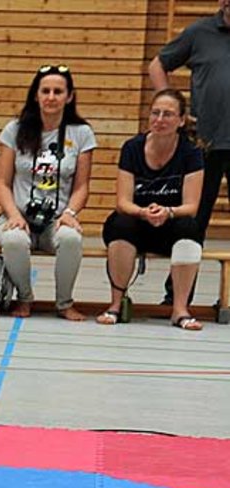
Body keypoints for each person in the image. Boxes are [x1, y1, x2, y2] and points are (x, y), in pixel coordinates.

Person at [0, 65, 96, 320]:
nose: (51, 97)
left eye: (58, 91)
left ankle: (64, 303)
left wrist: (71, 212)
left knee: (71, 239)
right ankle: (24, 298)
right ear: (36, 95)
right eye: (45, 91)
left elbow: (82, 186)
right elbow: (2, 183)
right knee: (14, 241)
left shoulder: (81, 133)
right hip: (17, 215)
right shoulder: (14, 130)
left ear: (69, 97)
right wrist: (13, 215)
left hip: (57, 219)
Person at [96, 89, 205, 330]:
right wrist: (143, 212)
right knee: (119, 223)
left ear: (181, 120)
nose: (160, 119)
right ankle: (116, 304)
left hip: (171, 223)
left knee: (191, 227)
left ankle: (179, 310)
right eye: (155, 113)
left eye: (168, 114)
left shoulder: (191, 152)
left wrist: (168, 212)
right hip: (138, 222)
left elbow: (191, 206)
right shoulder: (132, 148)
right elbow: (123, 202)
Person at [149, 0, 230, 303]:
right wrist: (169, 104)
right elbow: (158, 64)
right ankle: (178, 297)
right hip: (205, 144)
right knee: (193, 223)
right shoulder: (199, 33)